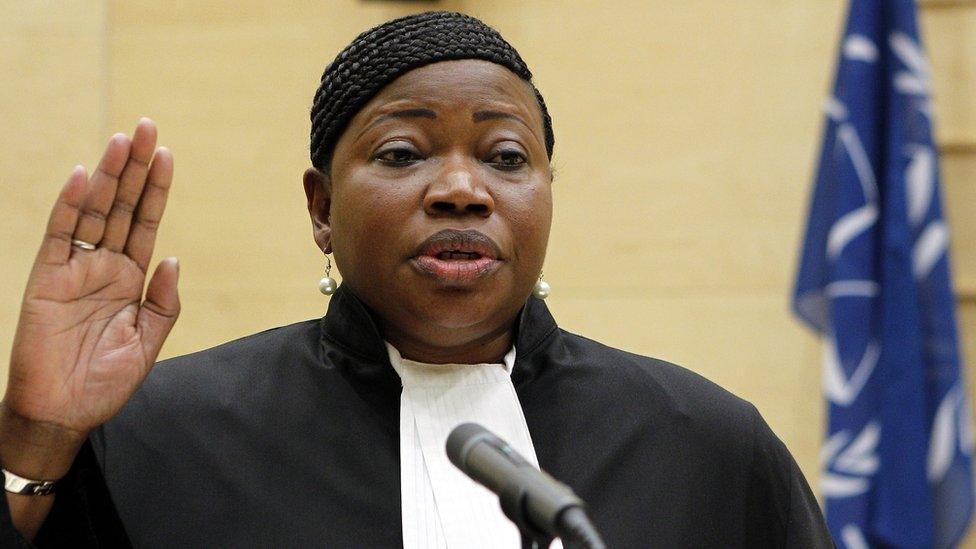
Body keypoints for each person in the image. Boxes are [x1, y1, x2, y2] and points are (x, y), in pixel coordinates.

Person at [0, 11, 833, 548]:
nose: (463, 188)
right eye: (402, 153)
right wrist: (34, 439)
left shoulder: (704, 446)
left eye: (507, 157)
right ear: (321, 208)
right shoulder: (162, 436)